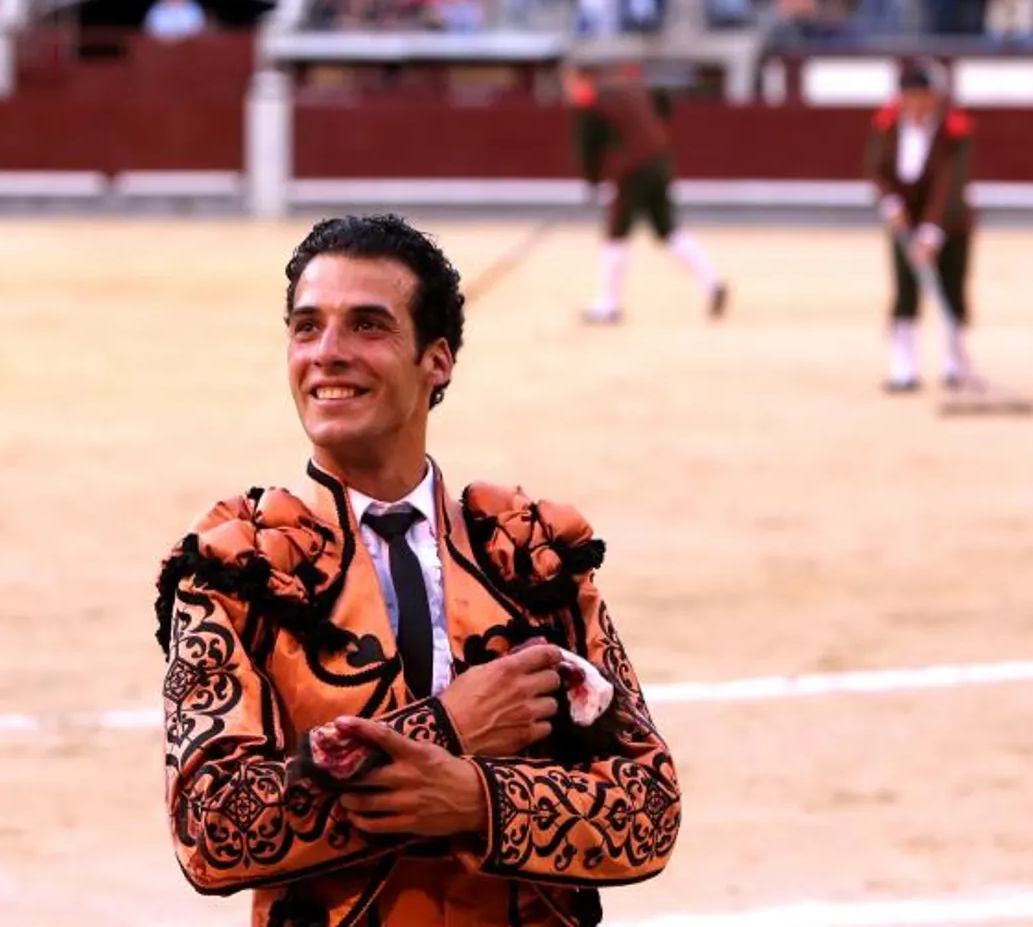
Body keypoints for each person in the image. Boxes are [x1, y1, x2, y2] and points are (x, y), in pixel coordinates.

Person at [155, 213, 682, 926]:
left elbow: (648, 807)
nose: (328, 353)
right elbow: (211, 828)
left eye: (367, 325)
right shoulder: (237, 567)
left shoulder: (532, 557)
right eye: (307, 327)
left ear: (437, 359)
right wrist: (448, 728)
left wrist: (474, 799)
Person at [565, 59, 729, 324]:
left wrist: (592, 182)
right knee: (668, 230)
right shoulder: (632, 83)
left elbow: (587, 147)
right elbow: (663, 105)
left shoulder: (589, 98)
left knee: (616, 234)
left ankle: (609, 305)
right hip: (660, 160)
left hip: (630, 170)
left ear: (579, 77)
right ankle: (712, 282)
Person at [865, 63, 976, 392]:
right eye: (910, 97)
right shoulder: (885, 124)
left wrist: (931, 231)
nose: (916, 105)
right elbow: (875, 169)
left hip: (950, 220)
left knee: (951, 287)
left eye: (922, 97)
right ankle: (904, 368)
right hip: (904, 221)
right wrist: (890, 204)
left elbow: (950, 184)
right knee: (904, 290)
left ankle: (953, 365)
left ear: (935, 98)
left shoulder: (955, 128)